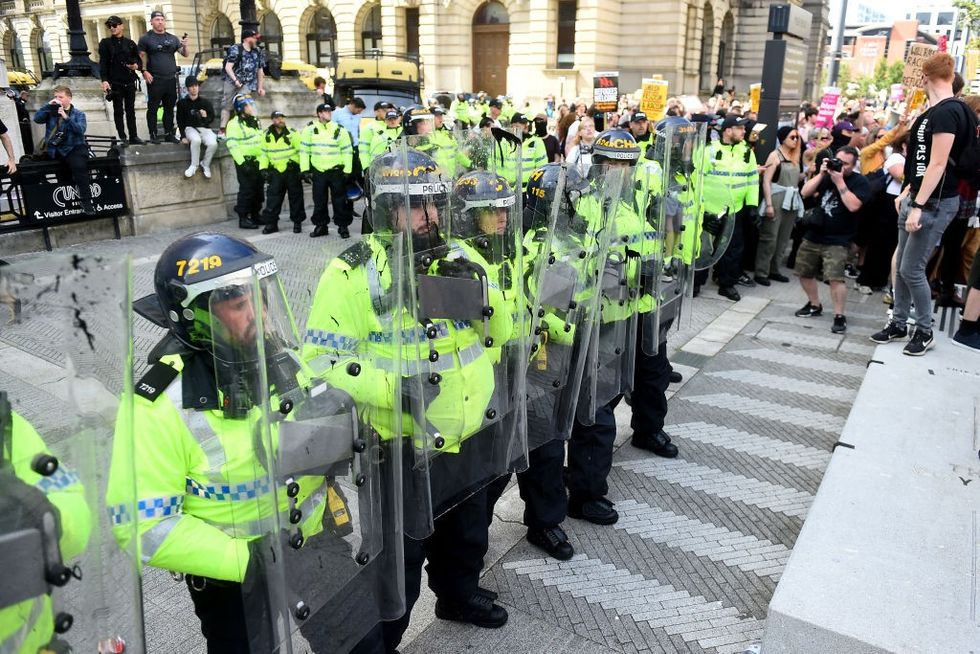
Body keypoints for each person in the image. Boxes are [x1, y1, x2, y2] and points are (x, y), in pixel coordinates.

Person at [114, 233, 393, 653]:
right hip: (233, 571)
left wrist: (343, 432)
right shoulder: (157, 404)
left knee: (364, 641)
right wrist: (245, 561)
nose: (261, 314)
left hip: (310, 537)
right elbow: (141, 524)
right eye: (240, 305)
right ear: (198, 316)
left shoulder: (278, 359)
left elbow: (304, 436)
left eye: (260, 298)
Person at [303, 151, 514, 649]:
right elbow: (320, 361)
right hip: (400, 441)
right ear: (388, 211)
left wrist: (482, 289)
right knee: (400, 554)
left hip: (469, 429)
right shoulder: (353, 272)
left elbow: (502, 332)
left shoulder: (459, 253)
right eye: (417, 208)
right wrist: (388, 389)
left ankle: (458, 595)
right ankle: (384, 636)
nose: (432, 218)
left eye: (435, 205)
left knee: (467, 530)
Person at [870, 53, 971, 355]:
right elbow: (924, 159)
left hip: (933, 202)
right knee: (903, 265)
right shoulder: (940, 111)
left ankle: (924, 330)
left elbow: (939, 164)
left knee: (912, 268)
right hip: (921, 197)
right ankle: (899, 322)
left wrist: (919, 205)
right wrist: (909, 191)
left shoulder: (947, 112)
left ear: (926, 77)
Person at [795, 146, 870, 333]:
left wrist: (840, 182)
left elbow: (854, 206)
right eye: (837, 161)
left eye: (845, 164)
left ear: (853, 165)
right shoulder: (826, 175)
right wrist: (821, 174)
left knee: (835, 278)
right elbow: (804, 192)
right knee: (804, 272)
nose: (839, 166)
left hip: (839, 238)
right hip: (814, 233)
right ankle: (814, 304)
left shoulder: (860, 181)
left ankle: (839, 315)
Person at [703, 115, 759, 301]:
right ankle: (696, 282)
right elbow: (699, 178)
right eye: (740, 128)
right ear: (728, 131)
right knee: (704, 247)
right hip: (711, 209)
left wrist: (752, 205)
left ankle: (726, 284)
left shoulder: (747, 152)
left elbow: (752, 180)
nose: (744, 131)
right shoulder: (709, 151)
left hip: (736, 208)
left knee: (733, 248)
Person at [33, 85, 94, 215]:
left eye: (61, 97)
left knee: (79, 168)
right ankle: (63, 203)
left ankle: (86, 200)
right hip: (56, 150)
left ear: (69, 98)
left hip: (74, 148)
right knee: (57, 174)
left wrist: (66, 117)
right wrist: (47, 106)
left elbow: (80, 130)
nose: (58, 99)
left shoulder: (78, 114)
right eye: (55, 97)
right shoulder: (50, 111)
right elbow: (37, 119)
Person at [755, 125, 803, 285]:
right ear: (783, 138)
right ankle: (761, 271)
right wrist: (768, 204)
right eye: (792, 137)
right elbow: (766, 181)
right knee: (770, 237)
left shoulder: (796, 157)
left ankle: (774, 269)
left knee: (784, 238)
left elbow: (796, 179)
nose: (795, 140)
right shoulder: (774, 156)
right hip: (777, 198)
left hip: (791, 201)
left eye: (797, 137)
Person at [300, 102, 353, 238]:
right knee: (319, 200)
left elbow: (347, 151)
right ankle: (321, 226)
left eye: (330, 111)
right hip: (318, 171)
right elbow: (304, 151)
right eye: (326, 111)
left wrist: (347, 170)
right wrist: (305, 170)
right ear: (319, 114)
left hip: (336, 171)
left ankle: (343, 226)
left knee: (340, 201)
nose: (329, 113)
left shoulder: (339, 129)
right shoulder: (310, 129)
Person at [138, 11, 188, 143]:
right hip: (155, 78)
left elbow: (185, 54)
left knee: (169, 108)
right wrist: (144, 71)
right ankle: (153, 134)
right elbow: (141, 56)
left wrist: (185, 45)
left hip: (170, 78)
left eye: (162, 19)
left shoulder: (172, 38)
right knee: (153, 107)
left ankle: (169, 133)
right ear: (152, 22)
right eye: (157, 19)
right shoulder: (146, 38)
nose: (160, 22)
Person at [258, 110, 306, 234]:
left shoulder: (292, 133)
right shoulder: (266, 135)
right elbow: (263, 153)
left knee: (296, 198)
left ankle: (297, 222)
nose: (281, 120)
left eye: (282, 118)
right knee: (273, 199)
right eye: (278, 118)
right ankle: (271, 224)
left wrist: (303, 169)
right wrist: (263, 168)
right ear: (273, 120)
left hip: (291, 170)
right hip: (275, 172)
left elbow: (302, 151)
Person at [98, 15, 143, 145]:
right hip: (115, 82)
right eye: (109, 26)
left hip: (129, 81)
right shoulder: (105, 43)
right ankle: (122, 137)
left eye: (115, 25)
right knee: (118, 111)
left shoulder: (130, 43)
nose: (112, 28)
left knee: (130, 110)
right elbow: (103, 64)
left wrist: (136, 66)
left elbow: (139, 62)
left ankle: (133, 136)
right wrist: (104, 80)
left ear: (121, 26)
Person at [224, 94, 263, 229]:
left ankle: (256, 215)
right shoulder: (233, 124)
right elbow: (232, 145)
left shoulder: (254, 121)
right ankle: (243, 218)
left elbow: (260, 140)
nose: (251, 108)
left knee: (259, 190)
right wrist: (242, 163)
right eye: (248, 105)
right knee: (247, 190)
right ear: (241, 108)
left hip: (258, 161)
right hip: (245, 162)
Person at [219, 29, 266, 132]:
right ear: (246, 38)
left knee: (243, 104)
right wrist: (235, 80)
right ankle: (222, 130)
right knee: (227, 106)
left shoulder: (257, 51)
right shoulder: (236, 49)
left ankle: (245, 128)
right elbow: (228, 67)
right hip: (232, 82)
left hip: (247, 84)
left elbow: (260, 70)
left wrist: (260, 87)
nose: (256, 40)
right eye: (254, 38)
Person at [176, 76, 217, 179]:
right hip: (190, 128)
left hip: (204, 129)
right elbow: (180, 121)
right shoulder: (182, 103)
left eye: (196, 86)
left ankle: (206, 164)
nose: (194, 88)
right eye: (191, 86)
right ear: (187, 89)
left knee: (213, 143)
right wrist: (182, 136)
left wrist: (205, 116)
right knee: (196, 140)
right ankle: (194, 165)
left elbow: (211, 118)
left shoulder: (205, 102)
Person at [507, 113, 548, 189]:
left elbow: (542, 167)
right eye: (519, 125)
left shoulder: (536, 142)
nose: (525, 126)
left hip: (529, 191)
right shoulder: (507, 143)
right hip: (510, 190)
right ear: (512, 126)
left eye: (526, 124)